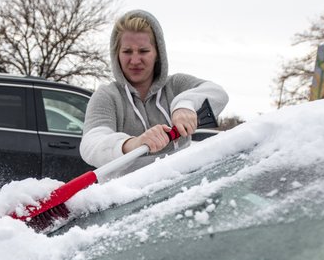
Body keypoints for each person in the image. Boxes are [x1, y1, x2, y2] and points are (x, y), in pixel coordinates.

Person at [80, 9, 229, 175]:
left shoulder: (176, 85)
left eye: (143, 51)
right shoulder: (107, 96)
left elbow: (218, 94)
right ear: (117, 55)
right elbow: (91, 145)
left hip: (181, 190)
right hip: (125, 196)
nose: (135, 60)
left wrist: (185, 105)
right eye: (127, 51)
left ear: (158, 53)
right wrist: (134, 143)